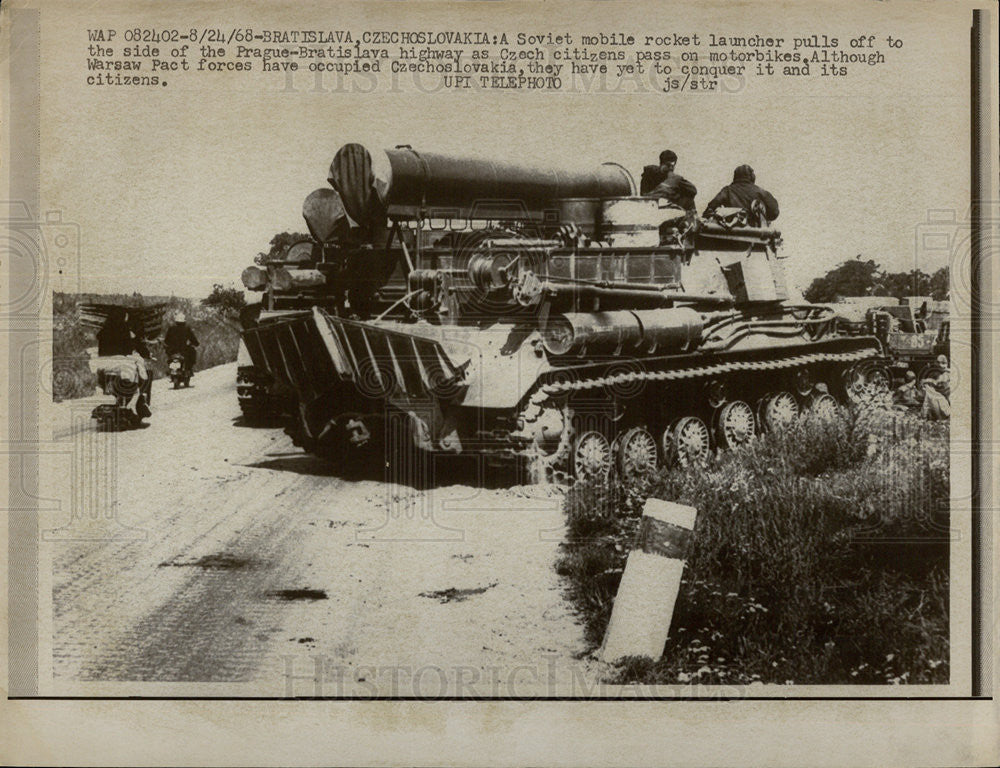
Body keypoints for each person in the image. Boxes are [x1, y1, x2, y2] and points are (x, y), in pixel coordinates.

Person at [95, 307, 151, 418]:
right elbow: (134, 347)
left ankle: (102, 398)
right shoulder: (126, 330)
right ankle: (135, 404)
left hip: (104, 364)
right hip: (122, 363)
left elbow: (100, 350)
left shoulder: (102, 331)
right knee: (140, 376)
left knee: (100, 382)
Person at [703, 164, 780, 224]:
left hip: (732, 233)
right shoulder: (761, 192)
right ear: (752, 177)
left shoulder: (728, 190)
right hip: (756, 235)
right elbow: (774, 212)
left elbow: (711, 208)